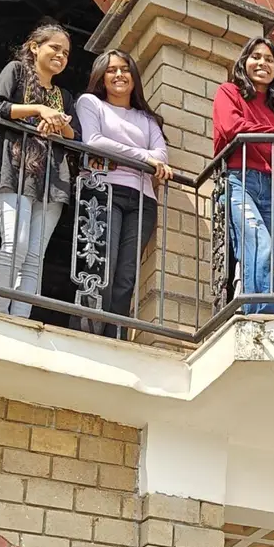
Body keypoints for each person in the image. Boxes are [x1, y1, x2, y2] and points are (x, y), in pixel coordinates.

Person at [74, 50, 171, 335]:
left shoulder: (147, 117)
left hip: (143, 200)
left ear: (134, 77)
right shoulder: (90, 103)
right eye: (111, 70)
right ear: (101, 77)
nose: (119, 75)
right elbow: (94, 141)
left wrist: (145, 159)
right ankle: (89, 332)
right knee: (100, 264)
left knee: (126, 275)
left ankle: (115, 336)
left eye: (125, 69)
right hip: (103, 190)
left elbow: (162, 156)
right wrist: (145, 159)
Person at [0, 19, 77, 318]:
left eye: (66, 53)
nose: (61, 56)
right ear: (35, 47)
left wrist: (60, 123)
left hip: (52, 177)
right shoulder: (16, 71)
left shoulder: (64, 97)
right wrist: (39, 109)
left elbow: (74, 138)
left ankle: (21, 318)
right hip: (14, 166)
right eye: (55, 48)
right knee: (16, 243)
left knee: (34, 257)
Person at [213, 38, 274, 313]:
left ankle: (267, 315)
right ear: (244, 62)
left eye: (269, 59)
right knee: (259, 244)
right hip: (239, 179)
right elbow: (232, 127)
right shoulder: (229, 92)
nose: (262, 63)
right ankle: (257, 318)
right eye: (256, 57)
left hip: (273, 186)